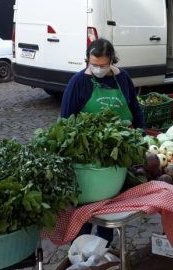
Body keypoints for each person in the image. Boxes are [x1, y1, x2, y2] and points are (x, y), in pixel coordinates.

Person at [61, 38, 145, 244]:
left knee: (109, 206)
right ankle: (82, 248)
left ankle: (104, 246)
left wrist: (141, 135)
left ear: (111, 61)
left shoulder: (122, 79)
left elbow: (135, 108)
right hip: (86, 158)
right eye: (94, 64)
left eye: (102, 65)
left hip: (117, 156)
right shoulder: (78, 82)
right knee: (86, 208)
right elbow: (65, 121)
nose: (98, 69)